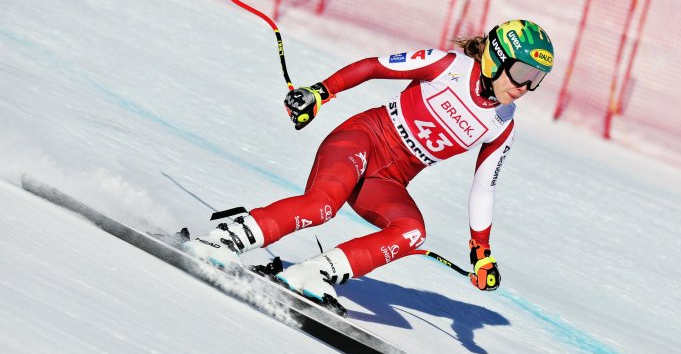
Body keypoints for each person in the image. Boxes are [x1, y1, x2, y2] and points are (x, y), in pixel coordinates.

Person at [182, 20, 554, 313]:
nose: (525, 86)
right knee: (321, 206)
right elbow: (374, 67)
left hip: (387, 179)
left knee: (411, 232)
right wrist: (319, 92)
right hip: (361, 139)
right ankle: (223, 240)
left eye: (536, 79)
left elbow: (483, 188)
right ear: (496, 57)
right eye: (522, 72)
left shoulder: (503, 123)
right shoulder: (447, 66)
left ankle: (313, 273)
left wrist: (481, 252)